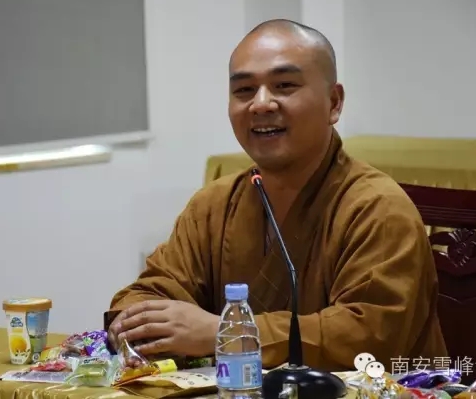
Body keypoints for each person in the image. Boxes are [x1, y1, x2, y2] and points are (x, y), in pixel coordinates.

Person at [107, 19, 447, 371]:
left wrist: (228, 332)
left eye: (284, 86)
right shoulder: (214, 205)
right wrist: (137, 322)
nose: (261, 104)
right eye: (244, 90)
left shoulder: (378, 209)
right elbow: (149, 294)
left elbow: (369, 336)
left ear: (333, 102)